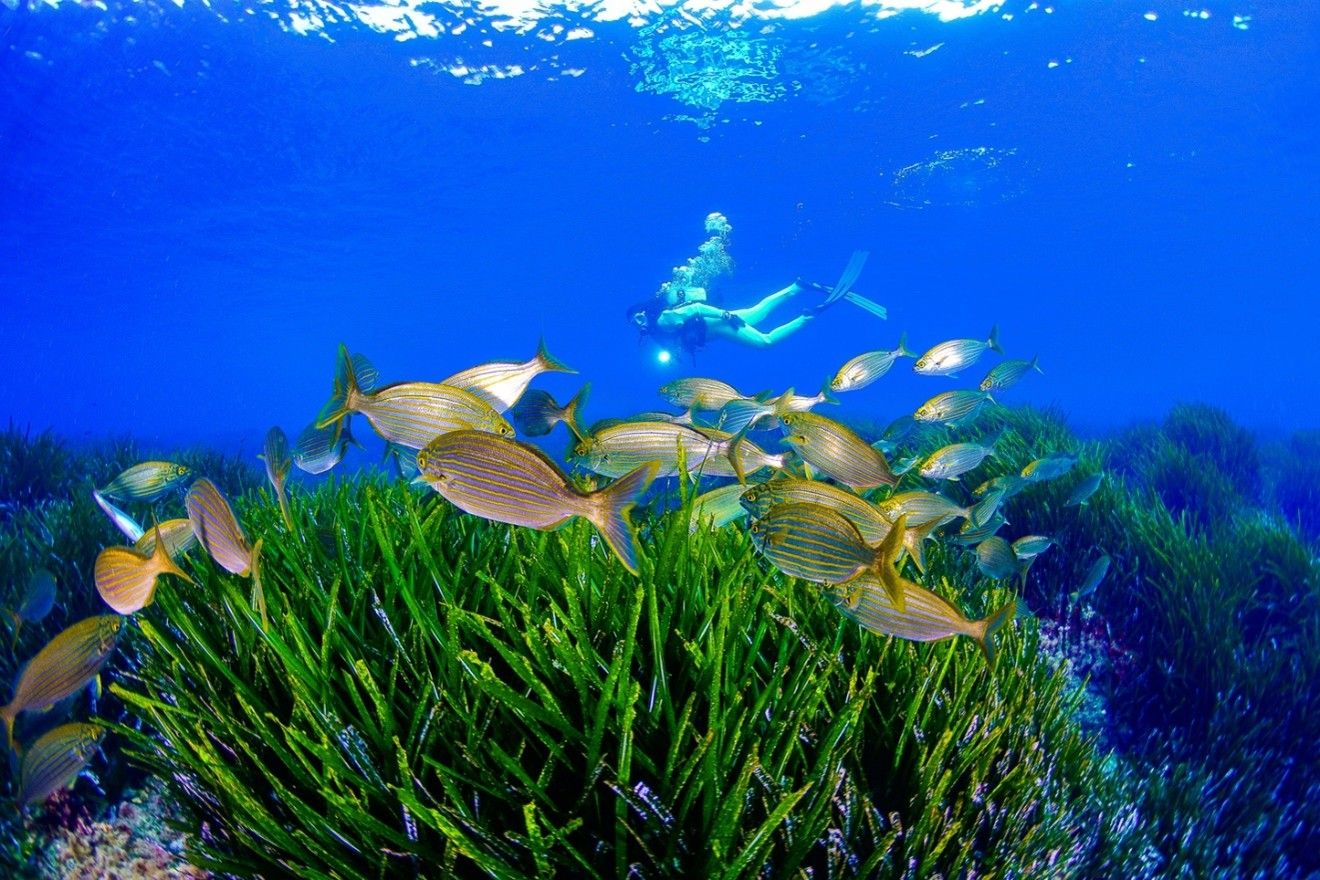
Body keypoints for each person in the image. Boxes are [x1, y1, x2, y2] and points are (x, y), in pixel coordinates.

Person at [628, 242, 882, 357]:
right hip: (716, 324)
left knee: (766, 343)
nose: (639, 322)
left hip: (719, 324)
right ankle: (796, 287)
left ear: (645, 310)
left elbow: (694, 307)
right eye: (634, 321)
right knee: (758, 311)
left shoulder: (662, 319)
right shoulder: (655, 331)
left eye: (638, 316)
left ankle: (808, 316)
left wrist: (724, 316)